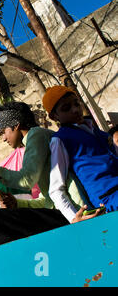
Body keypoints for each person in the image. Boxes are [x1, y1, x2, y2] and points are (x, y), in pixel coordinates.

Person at [0, 101, 84, 246]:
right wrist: (17, 203)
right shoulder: (39, 139)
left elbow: (26, 180)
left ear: (16, 125)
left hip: (74, 211)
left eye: (4, 132)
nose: (3, 138)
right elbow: (47, 202)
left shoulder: (36, 134)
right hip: (63, 212)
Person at [43, 86, 117, 219]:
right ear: (54, 116)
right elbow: (55, 189)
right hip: (109, 200)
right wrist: (73, 218)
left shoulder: (98, 132)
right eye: (66, 108)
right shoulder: (60, 140)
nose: (75, 110)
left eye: (76, 104)